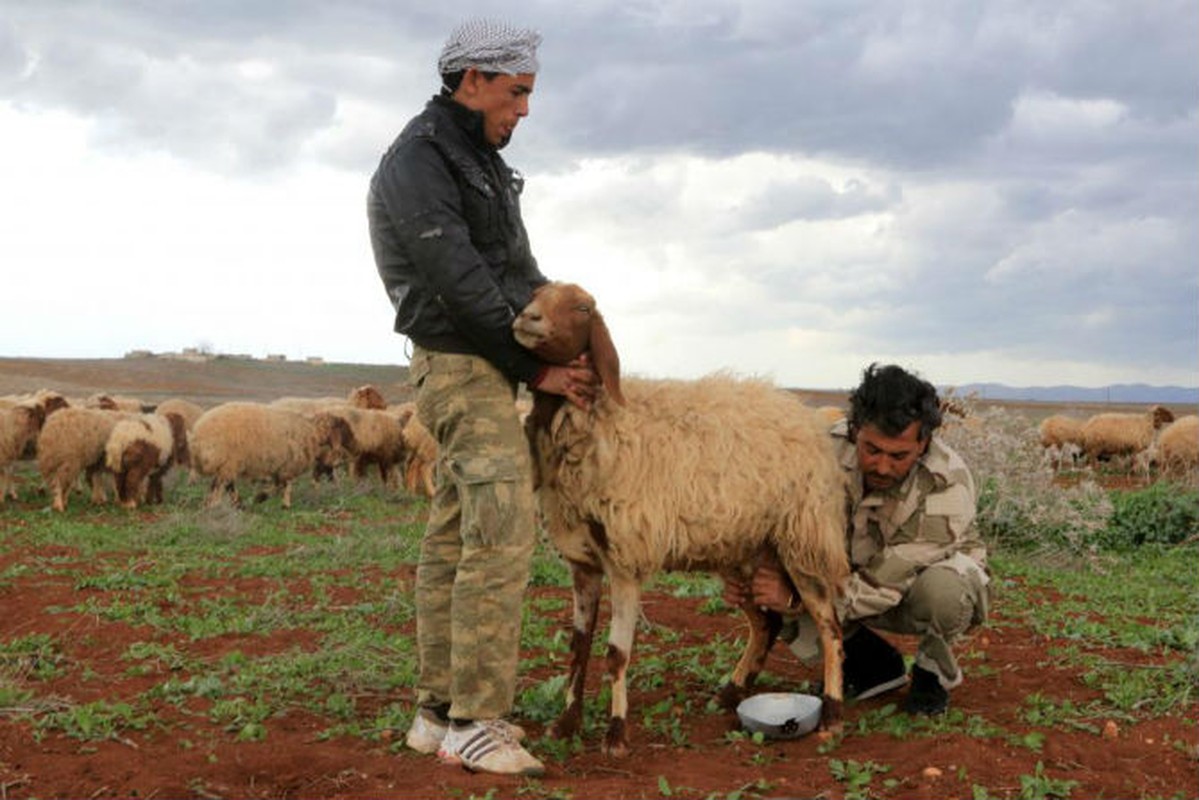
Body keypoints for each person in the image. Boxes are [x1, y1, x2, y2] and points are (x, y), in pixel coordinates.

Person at [366, 18, 597, 777]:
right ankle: (477, 719)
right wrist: (536, 372)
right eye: (516, 92)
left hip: (478, 365)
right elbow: (458, 282)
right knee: (501, 533)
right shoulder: (421, 161)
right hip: (460, 365)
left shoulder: (478, 164)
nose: (524, 109)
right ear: (471, 79)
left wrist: (572, 326)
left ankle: (437, 713)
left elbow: (516, 268)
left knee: (456, 536)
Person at [725, 363, 990, 715]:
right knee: (768, 580)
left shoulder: (947, 483)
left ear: (923, 443)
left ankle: (931, 672)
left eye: (899, 456)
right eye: (872, 450)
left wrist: (795, 598)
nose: (882, 467)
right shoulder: (819, 451)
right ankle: (871, 666)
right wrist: (759, 573)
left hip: (912, 587)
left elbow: (885, 581)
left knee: (947, 593)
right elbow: (783, 523)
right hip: (849, 572)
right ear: (854, 430)